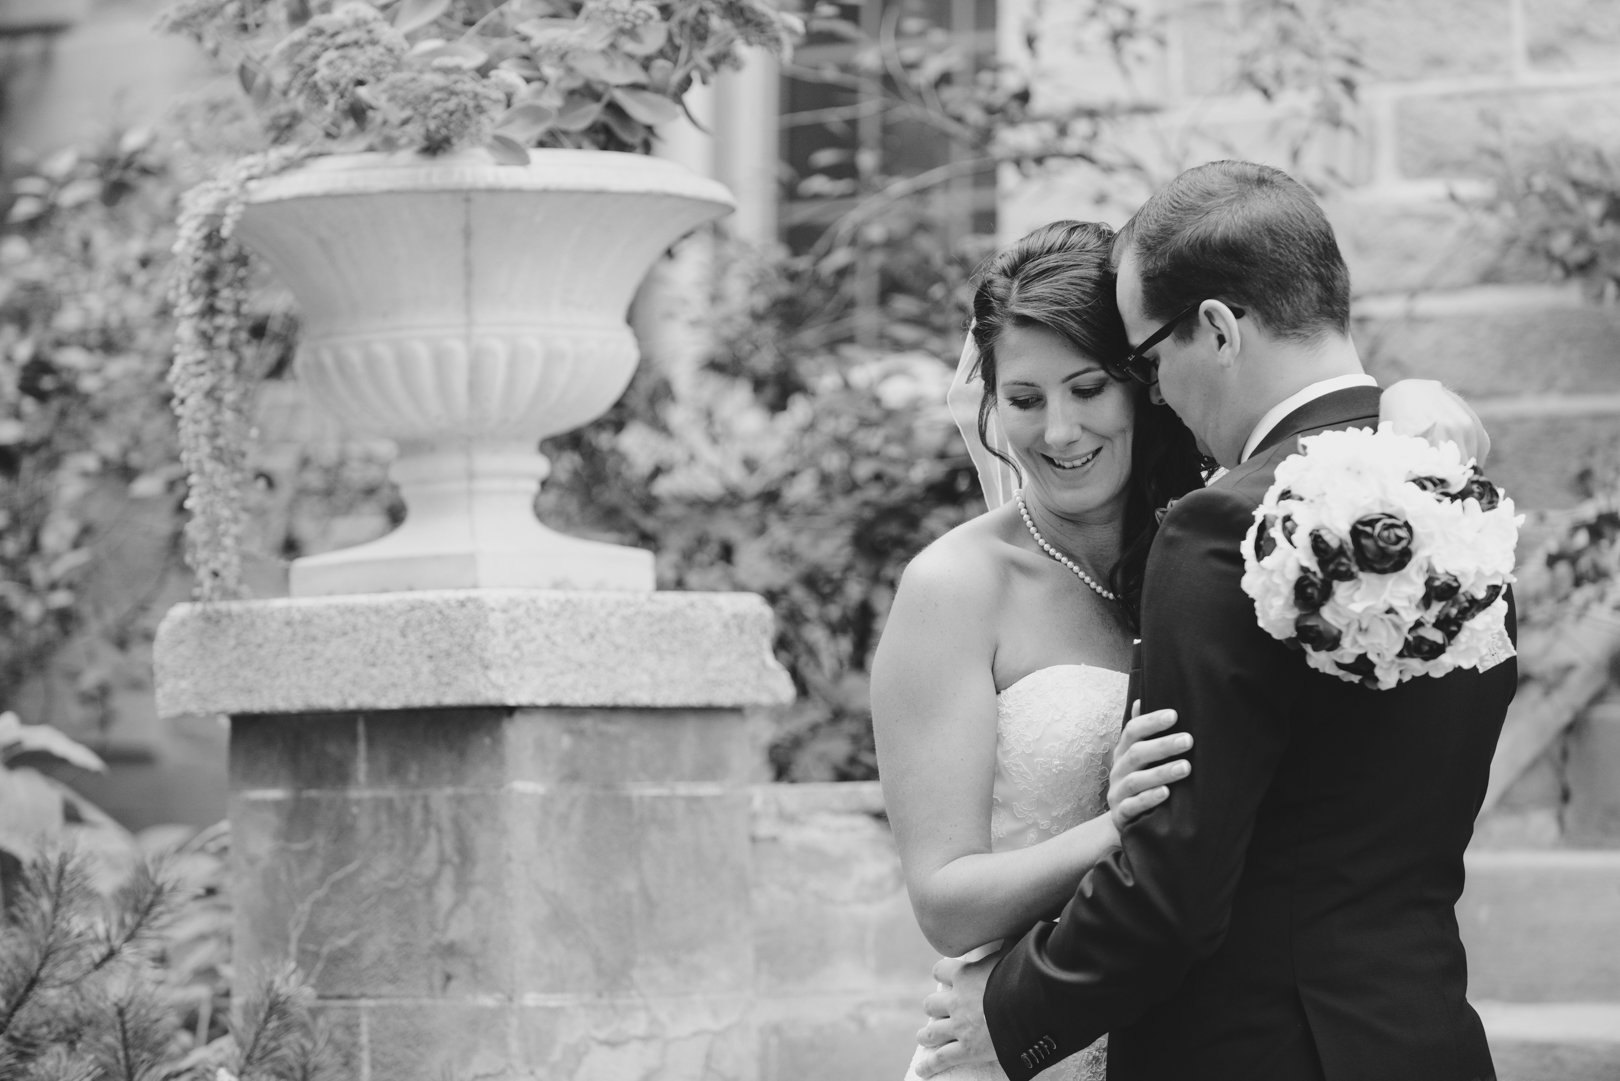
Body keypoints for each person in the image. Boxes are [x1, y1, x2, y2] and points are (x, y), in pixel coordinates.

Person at [876, 172, 1493, 1081]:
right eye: (1023, 398)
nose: (1059, 429)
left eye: (1092, 385)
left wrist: (1410, 406)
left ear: (1148, 378)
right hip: (1077, 1035)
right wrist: (1115, 825)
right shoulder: (955, 585)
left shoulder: (1242, 532)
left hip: (1217, 1025)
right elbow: (946, 896)